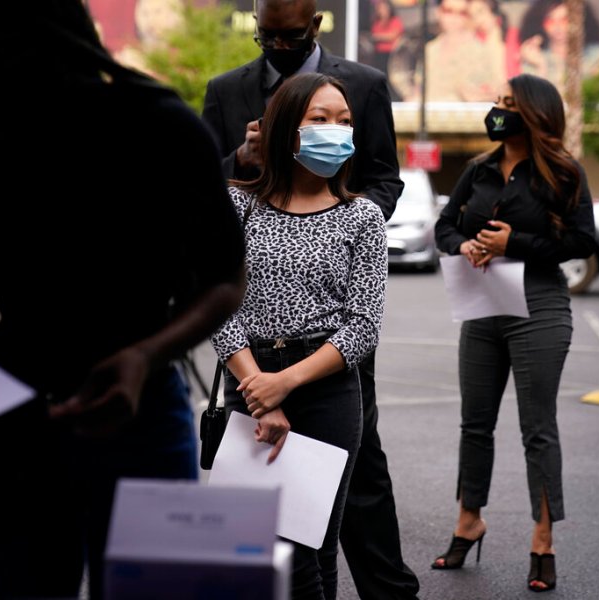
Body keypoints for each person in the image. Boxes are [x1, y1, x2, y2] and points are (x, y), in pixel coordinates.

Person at [0, 1, 246, 598]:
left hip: (142, 411)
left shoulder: (159, 126)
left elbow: (223, 279)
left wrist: (144, 355)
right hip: (17, 422)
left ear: (41, 32)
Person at [202, 2, 421, 599]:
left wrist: (288, 383)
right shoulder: (238, 200)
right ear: (283, 127)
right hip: (251, 379)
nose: (336, 131)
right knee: (256, 546)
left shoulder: (361, 217)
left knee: (313, 542)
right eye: (320, 119)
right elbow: (219, 300)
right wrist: (259, 389)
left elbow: (361, 325)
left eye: (343, 121)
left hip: (325, 378)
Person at [432, 73, 597, 593]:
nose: (497, 110)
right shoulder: (479, 169)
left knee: (537, 427)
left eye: (508, 104)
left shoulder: (564, 173)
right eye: (496, 102)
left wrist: (514, 244)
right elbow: (443, 227)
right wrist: (465, 246)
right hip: (482, 306)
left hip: (540, 307)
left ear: (535, 114)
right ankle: (468, 520)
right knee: (474, 423)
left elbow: (581, 241)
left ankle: (543, 540)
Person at [517, 0, 599, 91]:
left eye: (565, 20)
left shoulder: (597, 55)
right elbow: (531, 106)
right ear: (540, 23)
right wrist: (541, 67)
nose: (557, 27)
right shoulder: (534, 57)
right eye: (550, 20)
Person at [369, 0, 404, 77]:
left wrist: (379, 37)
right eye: (380, 8)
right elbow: (373, 35)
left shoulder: (395, 20)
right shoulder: (376, 22)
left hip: (392, 55)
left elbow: (393, 35)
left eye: (385, 8)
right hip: (379, 55)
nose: (383, 10)